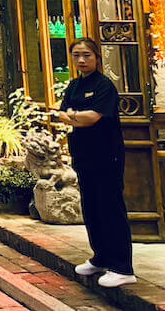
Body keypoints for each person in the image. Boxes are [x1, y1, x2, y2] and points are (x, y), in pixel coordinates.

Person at [56, 38, 135, 288]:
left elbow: (92, 118)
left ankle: (122, 267)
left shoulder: (104, 86)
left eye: (87, 55)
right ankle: (100, 258)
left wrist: (75, 116)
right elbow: (61, 113)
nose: (81, 60)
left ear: (97, 57)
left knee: (110, 208)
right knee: (91, 208)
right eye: (77, 55)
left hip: (106, 156)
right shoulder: (74, 85)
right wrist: (76, 117)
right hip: (83, 156)